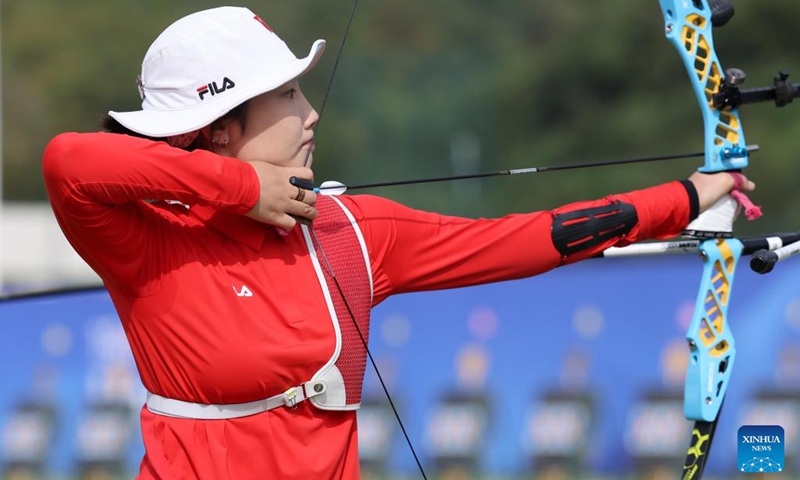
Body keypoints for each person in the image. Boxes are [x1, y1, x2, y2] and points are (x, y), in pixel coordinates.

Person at [41, 6, 754, 480]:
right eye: (287, 96)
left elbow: (529, 238)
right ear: (222, 127)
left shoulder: (346, 233)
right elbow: (70, 160)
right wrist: (240, 189)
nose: (311, 112)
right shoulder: (147, 236)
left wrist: (688, 196)